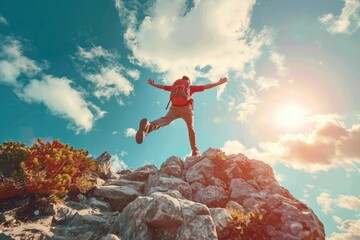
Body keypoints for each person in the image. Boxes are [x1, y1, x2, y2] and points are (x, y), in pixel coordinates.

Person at [136, 75, 228, 156]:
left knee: (165, 120)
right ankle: (195, 151)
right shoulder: (190, 87)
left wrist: (153, 84)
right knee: (190, 128)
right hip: (186, 108)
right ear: (188, 81)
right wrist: (219, 83)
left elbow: (162, 87)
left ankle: (148, 126)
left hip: (174, 108)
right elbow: (205, 87)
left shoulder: (174, 86)